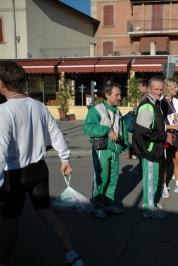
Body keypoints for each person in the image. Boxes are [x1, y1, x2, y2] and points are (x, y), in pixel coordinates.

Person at [0, 60, 84, 266]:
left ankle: (3, 262)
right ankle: (73, 256)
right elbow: (55, 134)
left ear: (2, 83)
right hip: (38, 169)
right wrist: (65, 158)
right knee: (47, 214)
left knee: (10, 222)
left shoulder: (4, 110)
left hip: (14, 174)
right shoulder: (38, 105)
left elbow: (1, 148)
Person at [84, 83, 131, 219]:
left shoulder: (117, 111)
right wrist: (107, 130)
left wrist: (127, 147)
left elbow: (123, 130)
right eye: (116, 94)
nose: (119, 97)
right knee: (101, 178)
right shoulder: (97, 109)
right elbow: (88, 128)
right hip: (102, 149)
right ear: (107, 95)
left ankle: (108, 204)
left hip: (115, 149)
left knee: (112, 178)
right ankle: (97, 206)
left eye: (120, 94)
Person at [131, 77, 174, 219]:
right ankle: (149, 207)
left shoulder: (154, 103)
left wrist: (164, 134)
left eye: (161, 89)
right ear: (149, 89)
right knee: (150, 179)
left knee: (154, 177)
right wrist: (164, 136)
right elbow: (143, 131)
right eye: (156, 89)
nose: (159, 92)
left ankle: (151, 203)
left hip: (153, 147)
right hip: (149, 149)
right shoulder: (147, 105)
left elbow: (154, 127)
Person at [159, 78, 178, 198]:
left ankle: (177, 185)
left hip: (177, 134)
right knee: (165, 162)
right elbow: (159, 123)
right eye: (174, 87)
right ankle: (163, 187)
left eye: (177, 87)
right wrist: (174, 126)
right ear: (168, 87)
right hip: (167, 134)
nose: (177, 89)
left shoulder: (175, 100)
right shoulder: (161, 101)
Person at [132, 79, 149, 174]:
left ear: (145, 87)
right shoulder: (144, 97)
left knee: (141, 148)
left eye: (140, 86)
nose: (138, 88)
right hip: (143, 127)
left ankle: (142, 168)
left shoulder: (146, 98)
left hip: (142, 128)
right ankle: (142, 168)